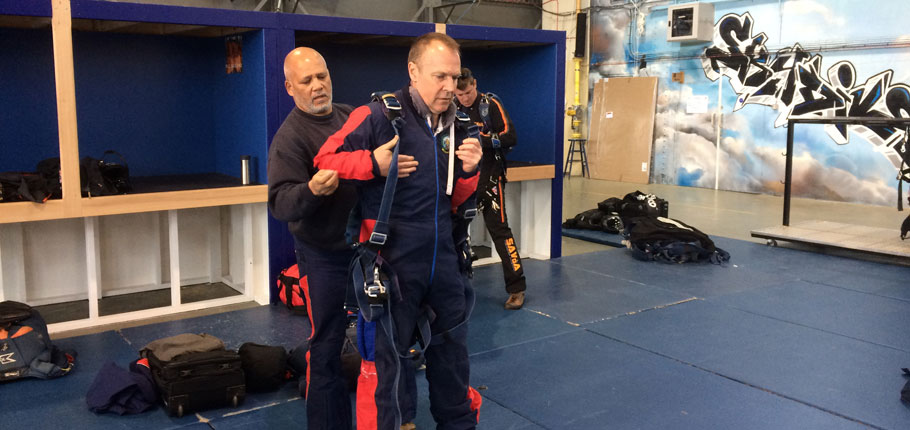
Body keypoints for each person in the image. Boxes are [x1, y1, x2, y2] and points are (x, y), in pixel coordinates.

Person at [315, 32, 484, 430]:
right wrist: (373, 164)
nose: (449, 88)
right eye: (439, 76)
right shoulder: (377, 116)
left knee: (453, 356)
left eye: (455, 78)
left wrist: (470, 172)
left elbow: (456, 200)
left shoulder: (460, 124)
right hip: (392, 262)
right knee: (389, 363)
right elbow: (326, 159)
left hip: (443, 259)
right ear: (413, 71)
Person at [267, 47, 357, 430]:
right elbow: (280, 203)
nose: (318, 86)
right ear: (290, 87)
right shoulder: (290, 139)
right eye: (307, 80)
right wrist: (312, 190)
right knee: (325, 348)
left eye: (322, 76)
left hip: (367, 248)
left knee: (385, 340)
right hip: (323, 257)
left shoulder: (351, 118)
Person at [454, 68, 527, 310]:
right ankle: (454, 286)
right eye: (460, 94)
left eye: (468, 92)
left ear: (475, 84)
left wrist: (479, 140)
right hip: (460, 178)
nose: (464, 98)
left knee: (500, 232)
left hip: (491, 177)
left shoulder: (490, 104)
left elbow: (510, 136)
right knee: (452, 232)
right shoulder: (451, 107)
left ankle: (517, 288)